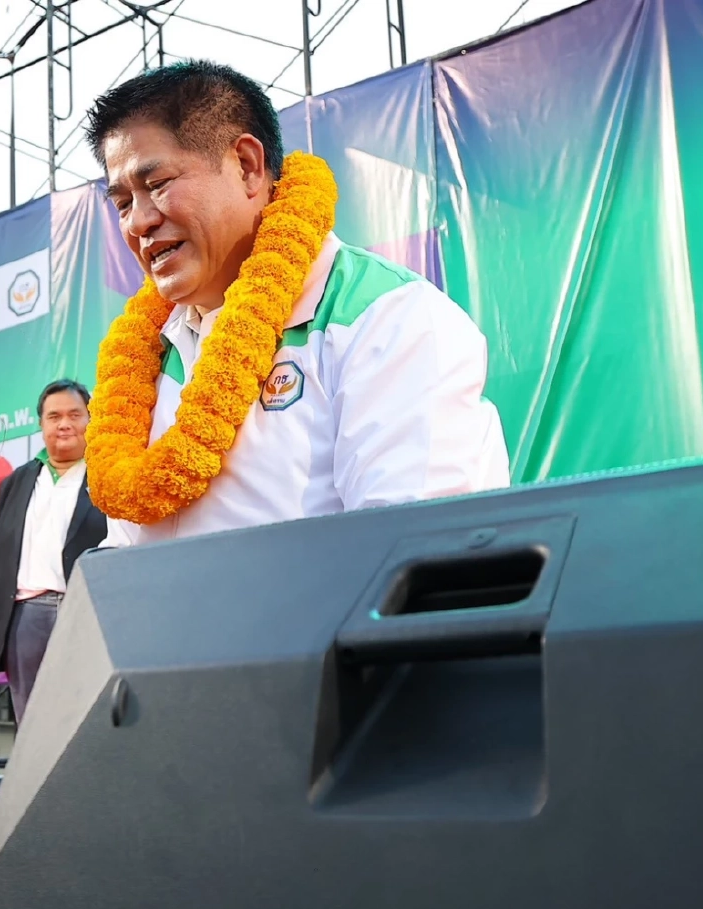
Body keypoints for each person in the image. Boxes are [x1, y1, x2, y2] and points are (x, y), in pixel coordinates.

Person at [81, 61, 510, 547]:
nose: (137, 222)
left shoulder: (388, 318)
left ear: (246, 165)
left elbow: (412, 554)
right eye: (121, 202)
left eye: (157, 185)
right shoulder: (145, 359)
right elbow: (123, 553)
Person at [0, 379, 110, 721]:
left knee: (85, 713)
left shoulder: (106, 476)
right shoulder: (17, 482)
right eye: (54, 416)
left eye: (74, 415)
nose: (64, 423)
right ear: (41, 424)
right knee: (34, 719)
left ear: (90, 420)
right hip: (26, 616)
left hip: (86, 612)